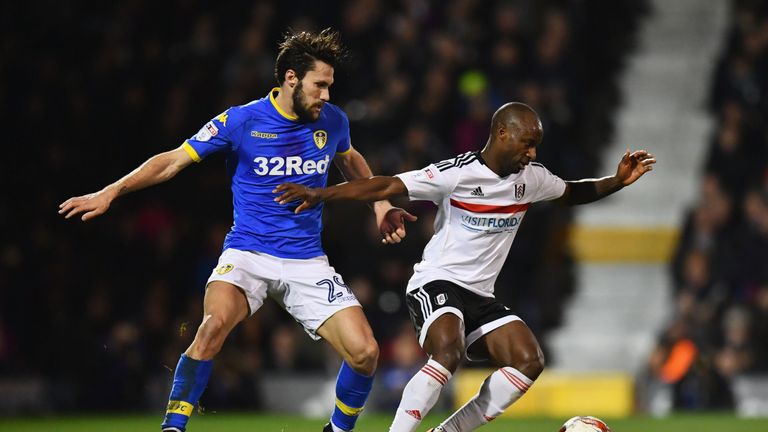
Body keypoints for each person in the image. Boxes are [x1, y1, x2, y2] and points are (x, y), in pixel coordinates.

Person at [59, 28, 415, 432]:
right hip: (247, 254)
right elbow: (175, 160)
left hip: (307, 261)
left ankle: (337, 430)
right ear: (291, 79)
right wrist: (113, 190)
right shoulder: (241, 121)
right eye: (320, 85)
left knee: (366, 352)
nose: (327, 96)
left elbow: (350, 160)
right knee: (212, 328)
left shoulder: (332, 121)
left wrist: (380, 203)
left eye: (330, 86)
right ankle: (173, 427)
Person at [274, 102, 656, 432]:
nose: (533, 154)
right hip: (435, 282)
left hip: (480, 295)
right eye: (528, 143)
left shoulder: (531, 179)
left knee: (529, 360)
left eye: (536, 145)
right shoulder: (456, 173)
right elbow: (384, 186)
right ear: (503, 134)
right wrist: (320, 193)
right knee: (448, 350)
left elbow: (573, 192)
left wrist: (616, 182)